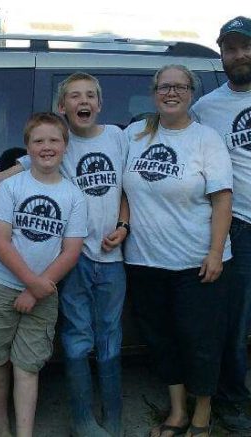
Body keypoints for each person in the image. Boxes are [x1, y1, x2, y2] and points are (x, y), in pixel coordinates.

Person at [123, 64, 233, 437]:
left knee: (199, 341)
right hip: (143, 261)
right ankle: (176, 412)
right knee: (161, 339)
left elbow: (222, 200)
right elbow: (118, 186)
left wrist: (216, 253)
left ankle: (202, 417)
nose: (171, 93)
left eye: (180, 87)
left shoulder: (206, 139)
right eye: (164, 86)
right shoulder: (134, 134)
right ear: (154, 92)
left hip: (196, 262)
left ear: (191, 93)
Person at [0, 112, 87, 437]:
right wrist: (30, 283)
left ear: (65, 147)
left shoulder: (73, 196)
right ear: (27, 149)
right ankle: (1, 425)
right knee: (0, 359)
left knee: (28, 365)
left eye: (54, 140)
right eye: (38, 141)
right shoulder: (11, 187)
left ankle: (24, 432)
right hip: (3, 286)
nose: (46, 147)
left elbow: (71, 251)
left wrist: (37, 290)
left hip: (44, 291)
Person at [191, 15, 251, 433]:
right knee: (236, 322)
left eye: (246, 46)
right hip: (240, 226)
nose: (240, 54)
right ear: (222, 54)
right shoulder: (204, 109)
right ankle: (233, 397)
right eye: (231, 48)